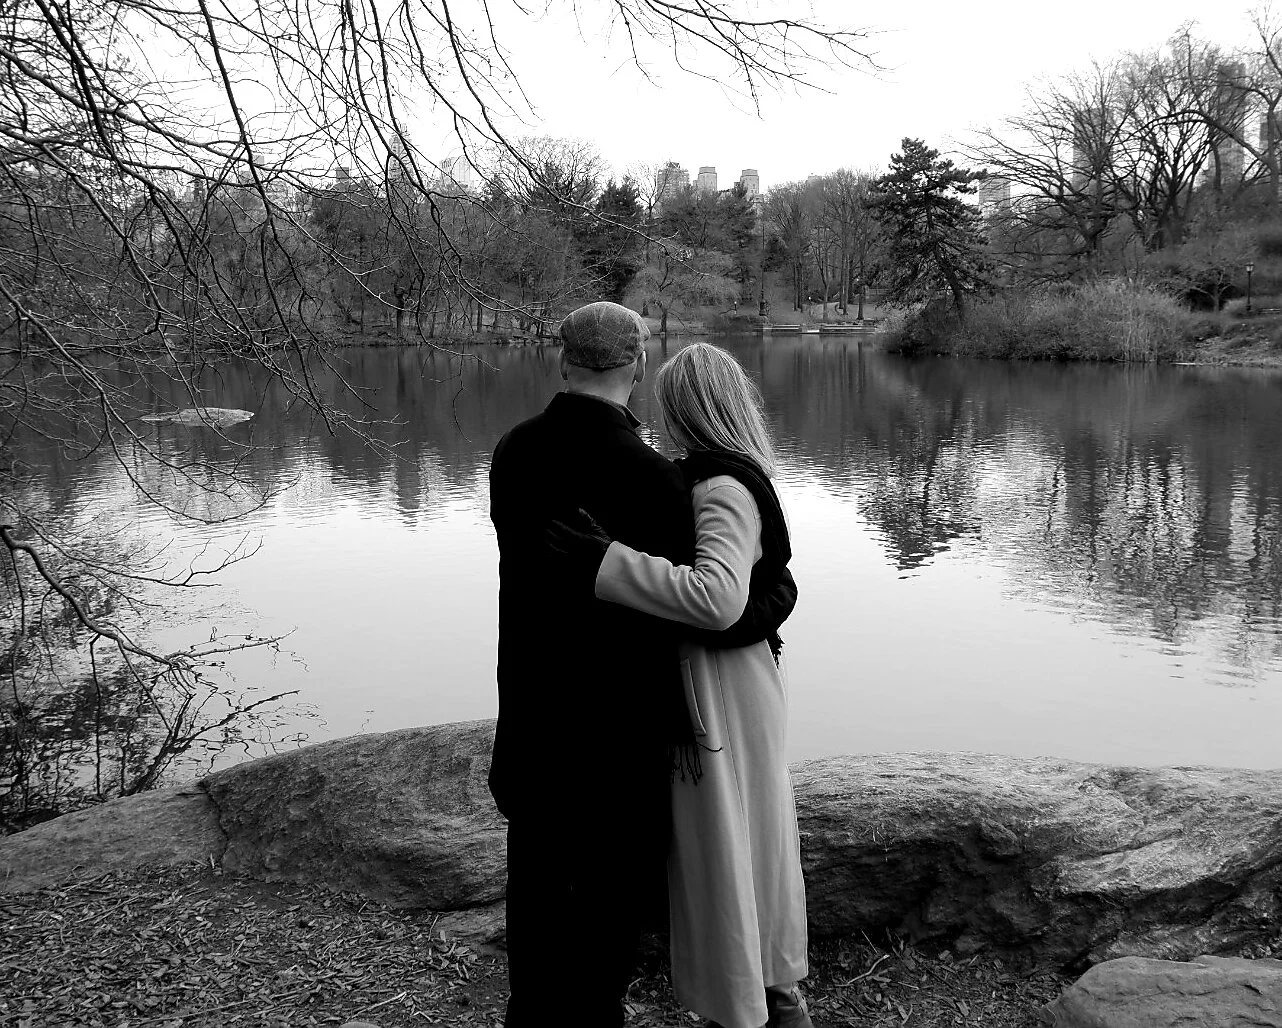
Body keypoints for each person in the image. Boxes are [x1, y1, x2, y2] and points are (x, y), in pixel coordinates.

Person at [549, 342, 812, 1028]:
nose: (651, 412)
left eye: (663, 401)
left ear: (686, 406)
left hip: (721, 694)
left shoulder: (722, 487)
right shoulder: (711, 477)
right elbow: (757, 587)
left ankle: (751, 1012)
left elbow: (719, 597)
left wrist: (605, 562)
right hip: (725, 685)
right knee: (747, 842)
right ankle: (773, 1001)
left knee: (727, 850)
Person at [488, 301, 694, 1027]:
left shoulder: (514, 451)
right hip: (619, 722)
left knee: (536, 877)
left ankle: (530, 1013)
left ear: (561, 359)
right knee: (611, 890)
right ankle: (596, 1013)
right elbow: (683, 601)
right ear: (637, 364)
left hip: (535, 706)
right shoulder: (654, 476)